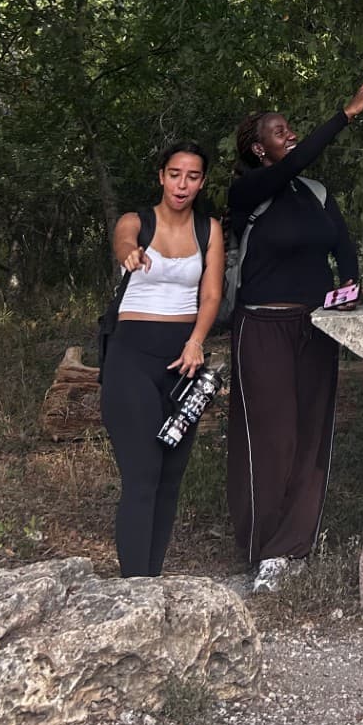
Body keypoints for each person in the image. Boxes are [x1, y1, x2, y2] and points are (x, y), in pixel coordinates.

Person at [227, 71, 363, 593]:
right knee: (273, 437)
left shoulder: (315, 192)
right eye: (278, 130)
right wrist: (345, 115)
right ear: (257, 147)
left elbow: (342, 246)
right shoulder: (249, 191)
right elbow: (295, 162)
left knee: (312, 434)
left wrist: (351, 282)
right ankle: (262, 547)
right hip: (262, 324)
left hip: (315, 326)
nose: (287, 134)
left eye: (290, 127)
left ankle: (294, 546)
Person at [101, 142, 224, 578]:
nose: (182, 184)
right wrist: (129, 254)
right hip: (132, 355)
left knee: (171, 475)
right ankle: (134, 585)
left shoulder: (209, 229)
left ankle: (151, 580)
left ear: (202, 182)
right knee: (142, 473)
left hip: (183, 361)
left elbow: (210, 293)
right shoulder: (138, 221)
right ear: (161, 176)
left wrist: (196, 341)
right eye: (175, 174)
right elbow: (123, 241)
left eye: (192, 176)